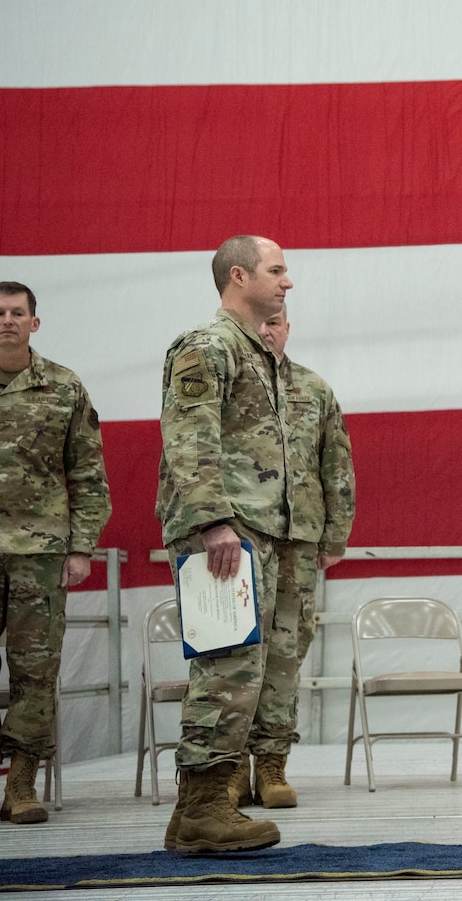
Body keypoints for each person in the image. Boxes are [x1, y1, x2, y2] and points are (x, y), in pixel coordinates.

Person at [0, 284, 111, 829]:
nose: (9, 321)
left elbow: (87, 474)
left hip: (40, 553)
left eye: (19, 313)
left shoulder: (64, 388)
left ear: (35, 323)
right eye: (0, 313)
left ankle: (21, 783)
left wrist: (81, 545)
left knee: (36, 671)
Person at [156, 235, 293, 853]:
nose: (287, 282)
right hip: (221, 533)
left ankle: (195, 814)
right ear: (239, 276)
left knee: (238, 667)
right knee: (225, 668)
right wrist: (213, 521)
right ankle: (206, 809)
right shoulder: (208, 346)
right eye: (276, 270)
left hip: (249, 530)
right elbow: (190, 437)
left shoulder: (254, 352)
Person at [229, 305, 355, 810]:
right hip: (238, 540)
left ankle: (273, 766)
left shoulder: (314, 389)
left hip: (298, 542)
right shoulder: (229, 383)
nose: (268, 330)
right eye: (260, 323)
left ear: (288, 328)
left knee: (285, 654)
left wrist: (335, 536)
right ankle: (231, 767)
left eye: (276, 322)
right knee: (236, 655)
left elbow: (337, 465)